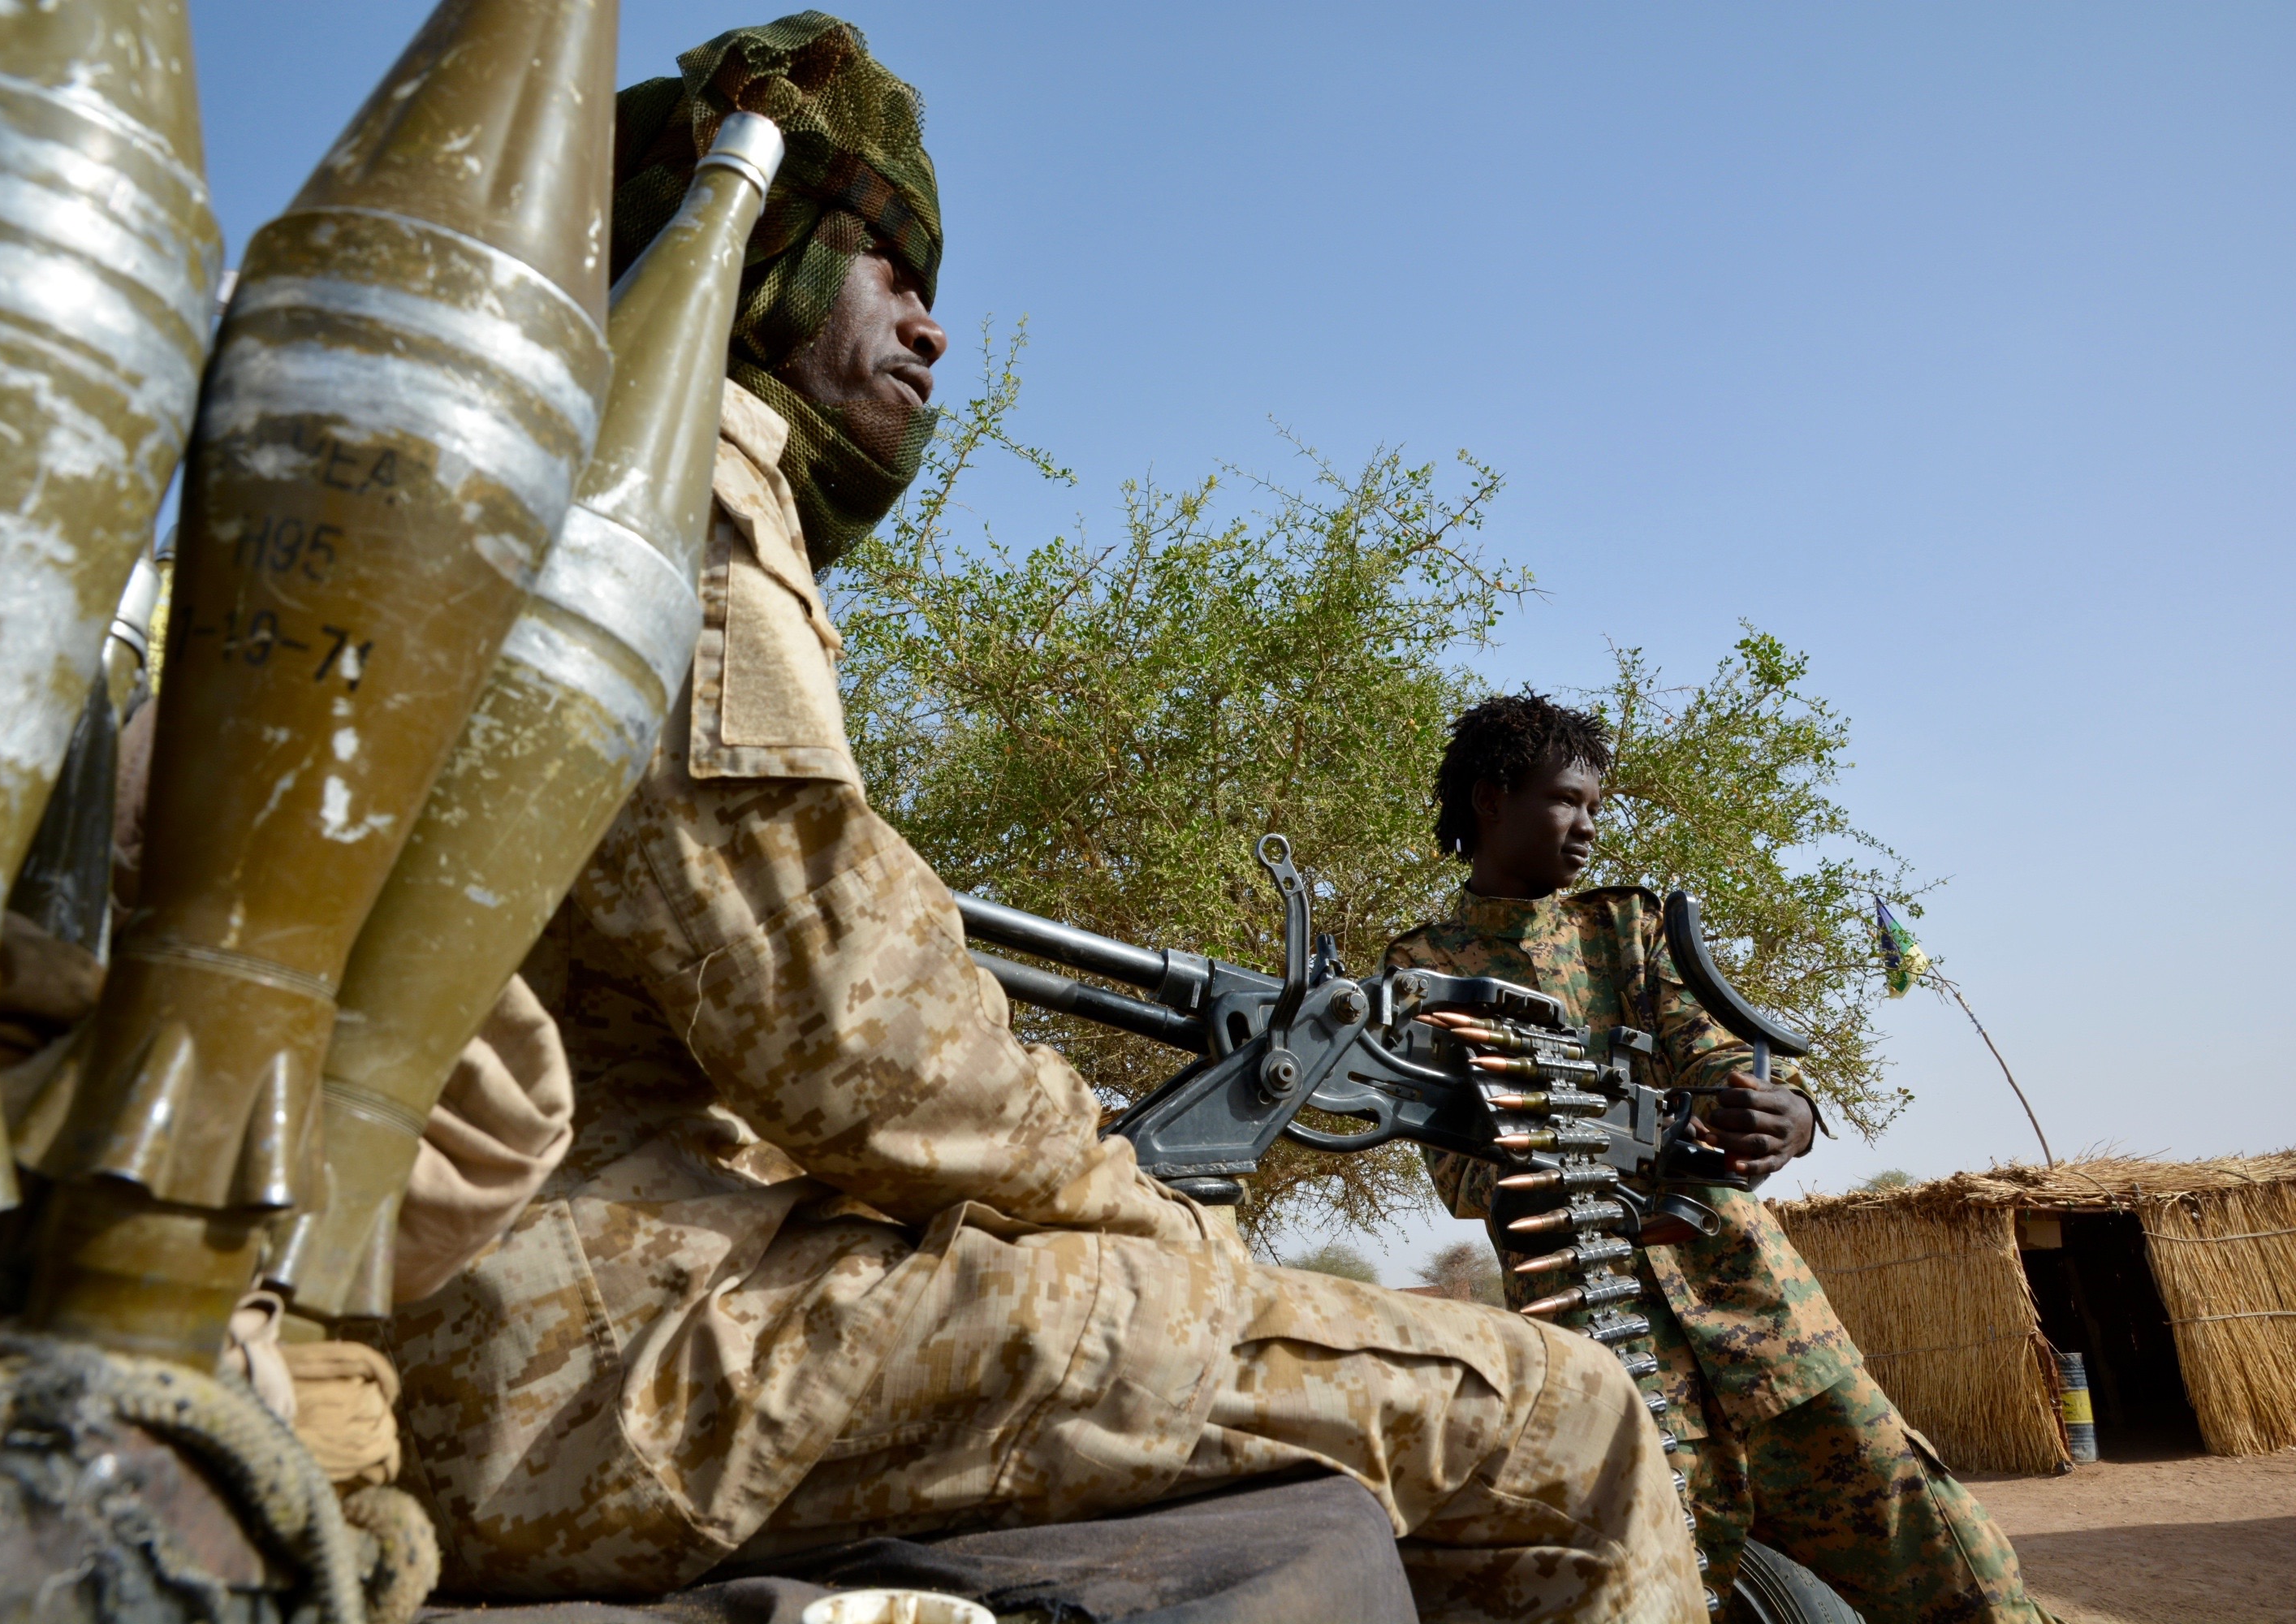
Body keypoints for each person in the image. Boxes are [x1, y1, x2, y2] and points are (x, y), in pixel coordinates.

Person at [379, 15, 1704, 1621]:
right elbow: (856, 1040)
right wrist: (1152, 1216)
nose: (933, 336)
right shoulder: (671, 472)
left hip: (553, 1336)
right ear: (765, 254)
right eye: (890, 271)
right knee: (1563, 1416)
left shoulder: (488, 483)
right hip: (619, 1367)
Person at [1384, 692, 2056, 1624]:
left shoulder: (1628, 927)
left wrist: (1792, 1115)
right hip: (1612, 1345)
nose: (1588, 826)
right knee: (1666, 1590)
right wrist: (1583, 1139)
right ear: (1492, 797)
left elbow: (1722, 1062)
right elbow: (1461, 1178)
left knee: (1956, 1571)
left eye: (1595, 805)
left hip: (1764, 1315)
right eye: (1566, 800)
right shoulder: (1422, 969)